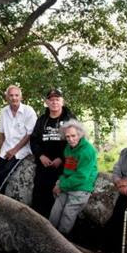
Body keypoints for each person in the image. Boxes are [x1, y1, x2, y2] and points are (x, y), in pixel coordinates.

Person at [29, 88, 75, 217]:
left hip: (63, 166)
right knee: (39, 197)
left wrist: (61, 158)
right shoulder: (42, 120)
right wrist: (40, 156)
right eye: (51, 100)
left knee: (58, 198)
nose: (54, 102)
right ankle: (38, 223)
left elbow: (75, 142)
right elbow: (34, 140)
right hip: (43, 164)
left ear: (62, 101)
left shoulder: (70, 119)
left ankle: (56, 225)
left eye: (57, 99)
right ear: (47, 102)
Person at [49, 120, 97, 235]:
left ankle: (61, 239)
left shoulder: (87, 151)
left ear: (80, 134)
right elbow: (68, 170)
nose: (70, 139)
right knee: (55, 211)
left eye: (73, 136)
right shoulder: (68, 148)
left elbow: (81, 176)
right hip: (68, 184)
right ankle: (49, 234)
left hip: (81, 187)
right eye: (67, 136)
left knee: (68, 214)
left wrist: (61, 185)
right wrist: (60, 182)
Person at [0, 84, 36, 192]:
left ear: (21, 97)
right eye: (11, 95)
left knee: (6, 170)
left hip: (22, 148)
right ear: (7, 97)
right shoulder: (4, 111)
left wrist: (14, 150)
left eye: (16, 95)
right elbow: (2, 134)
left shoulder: (28, 111)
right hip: (7, 146)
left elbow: (29, 135)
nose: (14, 98)